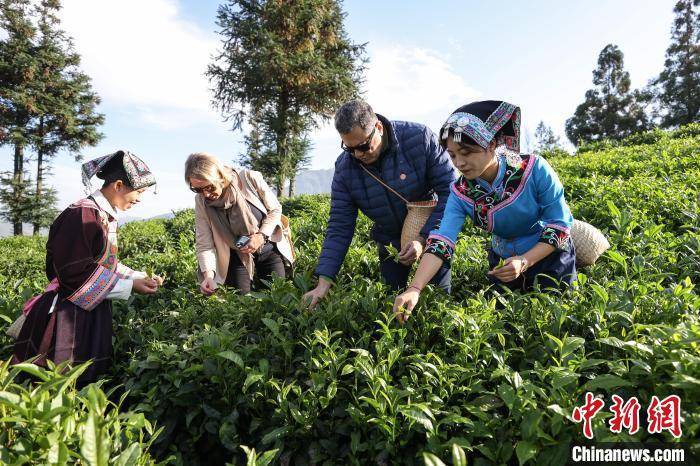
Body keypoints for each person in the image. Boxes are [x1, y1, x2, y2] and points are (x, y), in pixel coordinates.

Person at [393, 100, 577, 323]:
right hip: (504, 262)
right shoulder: (460, 192)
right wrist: (415, 288)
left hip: (549, 255)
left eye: (467, 152)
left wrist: (525, 261)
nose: (459, 163)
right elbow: (441, 241)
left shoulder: (534, 169)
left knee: (556, 319)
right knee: (506, 325)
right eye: (452, 155)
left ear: (491, 144)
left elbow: (559, 225)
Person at [13, 150, 162, 384]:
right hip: (68, 314)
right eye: (139, 191)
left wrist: (137, 277)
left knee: (86, 377)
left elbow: (103, 261)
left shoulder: (100, 214)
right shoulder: (83, 215)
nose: (140, 199)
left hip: (89, 307)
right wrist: (129, 286)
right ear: (119, 185)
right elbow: (75, 274)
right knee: (61, 379)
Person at [303, 99, 456, 309]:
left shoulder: (419, 138)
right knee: (391, 304)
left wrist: (423, 238)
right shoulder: (345, 169)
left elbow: (451, 192)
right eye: (350, 149)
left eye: (363, 146)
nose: (358, 154)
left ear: (378, 128)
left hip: (431, 234)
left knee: (437, 305)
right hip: (390, 241)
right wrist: (323, 282)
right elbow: (339, 226)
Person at [185, 152, 294, 295]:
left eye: (209, 187)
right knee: (242, 305)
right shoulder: (201, 202)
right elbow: (204, 243)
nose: (205, 194)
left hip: (268, 249)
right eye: (197, 189)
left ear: (220, 177)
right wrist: (208, 276)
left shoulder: (249, 178)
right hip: (237, 256)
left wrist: (261, 236)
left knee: (279, 296)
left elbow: (275, 210)